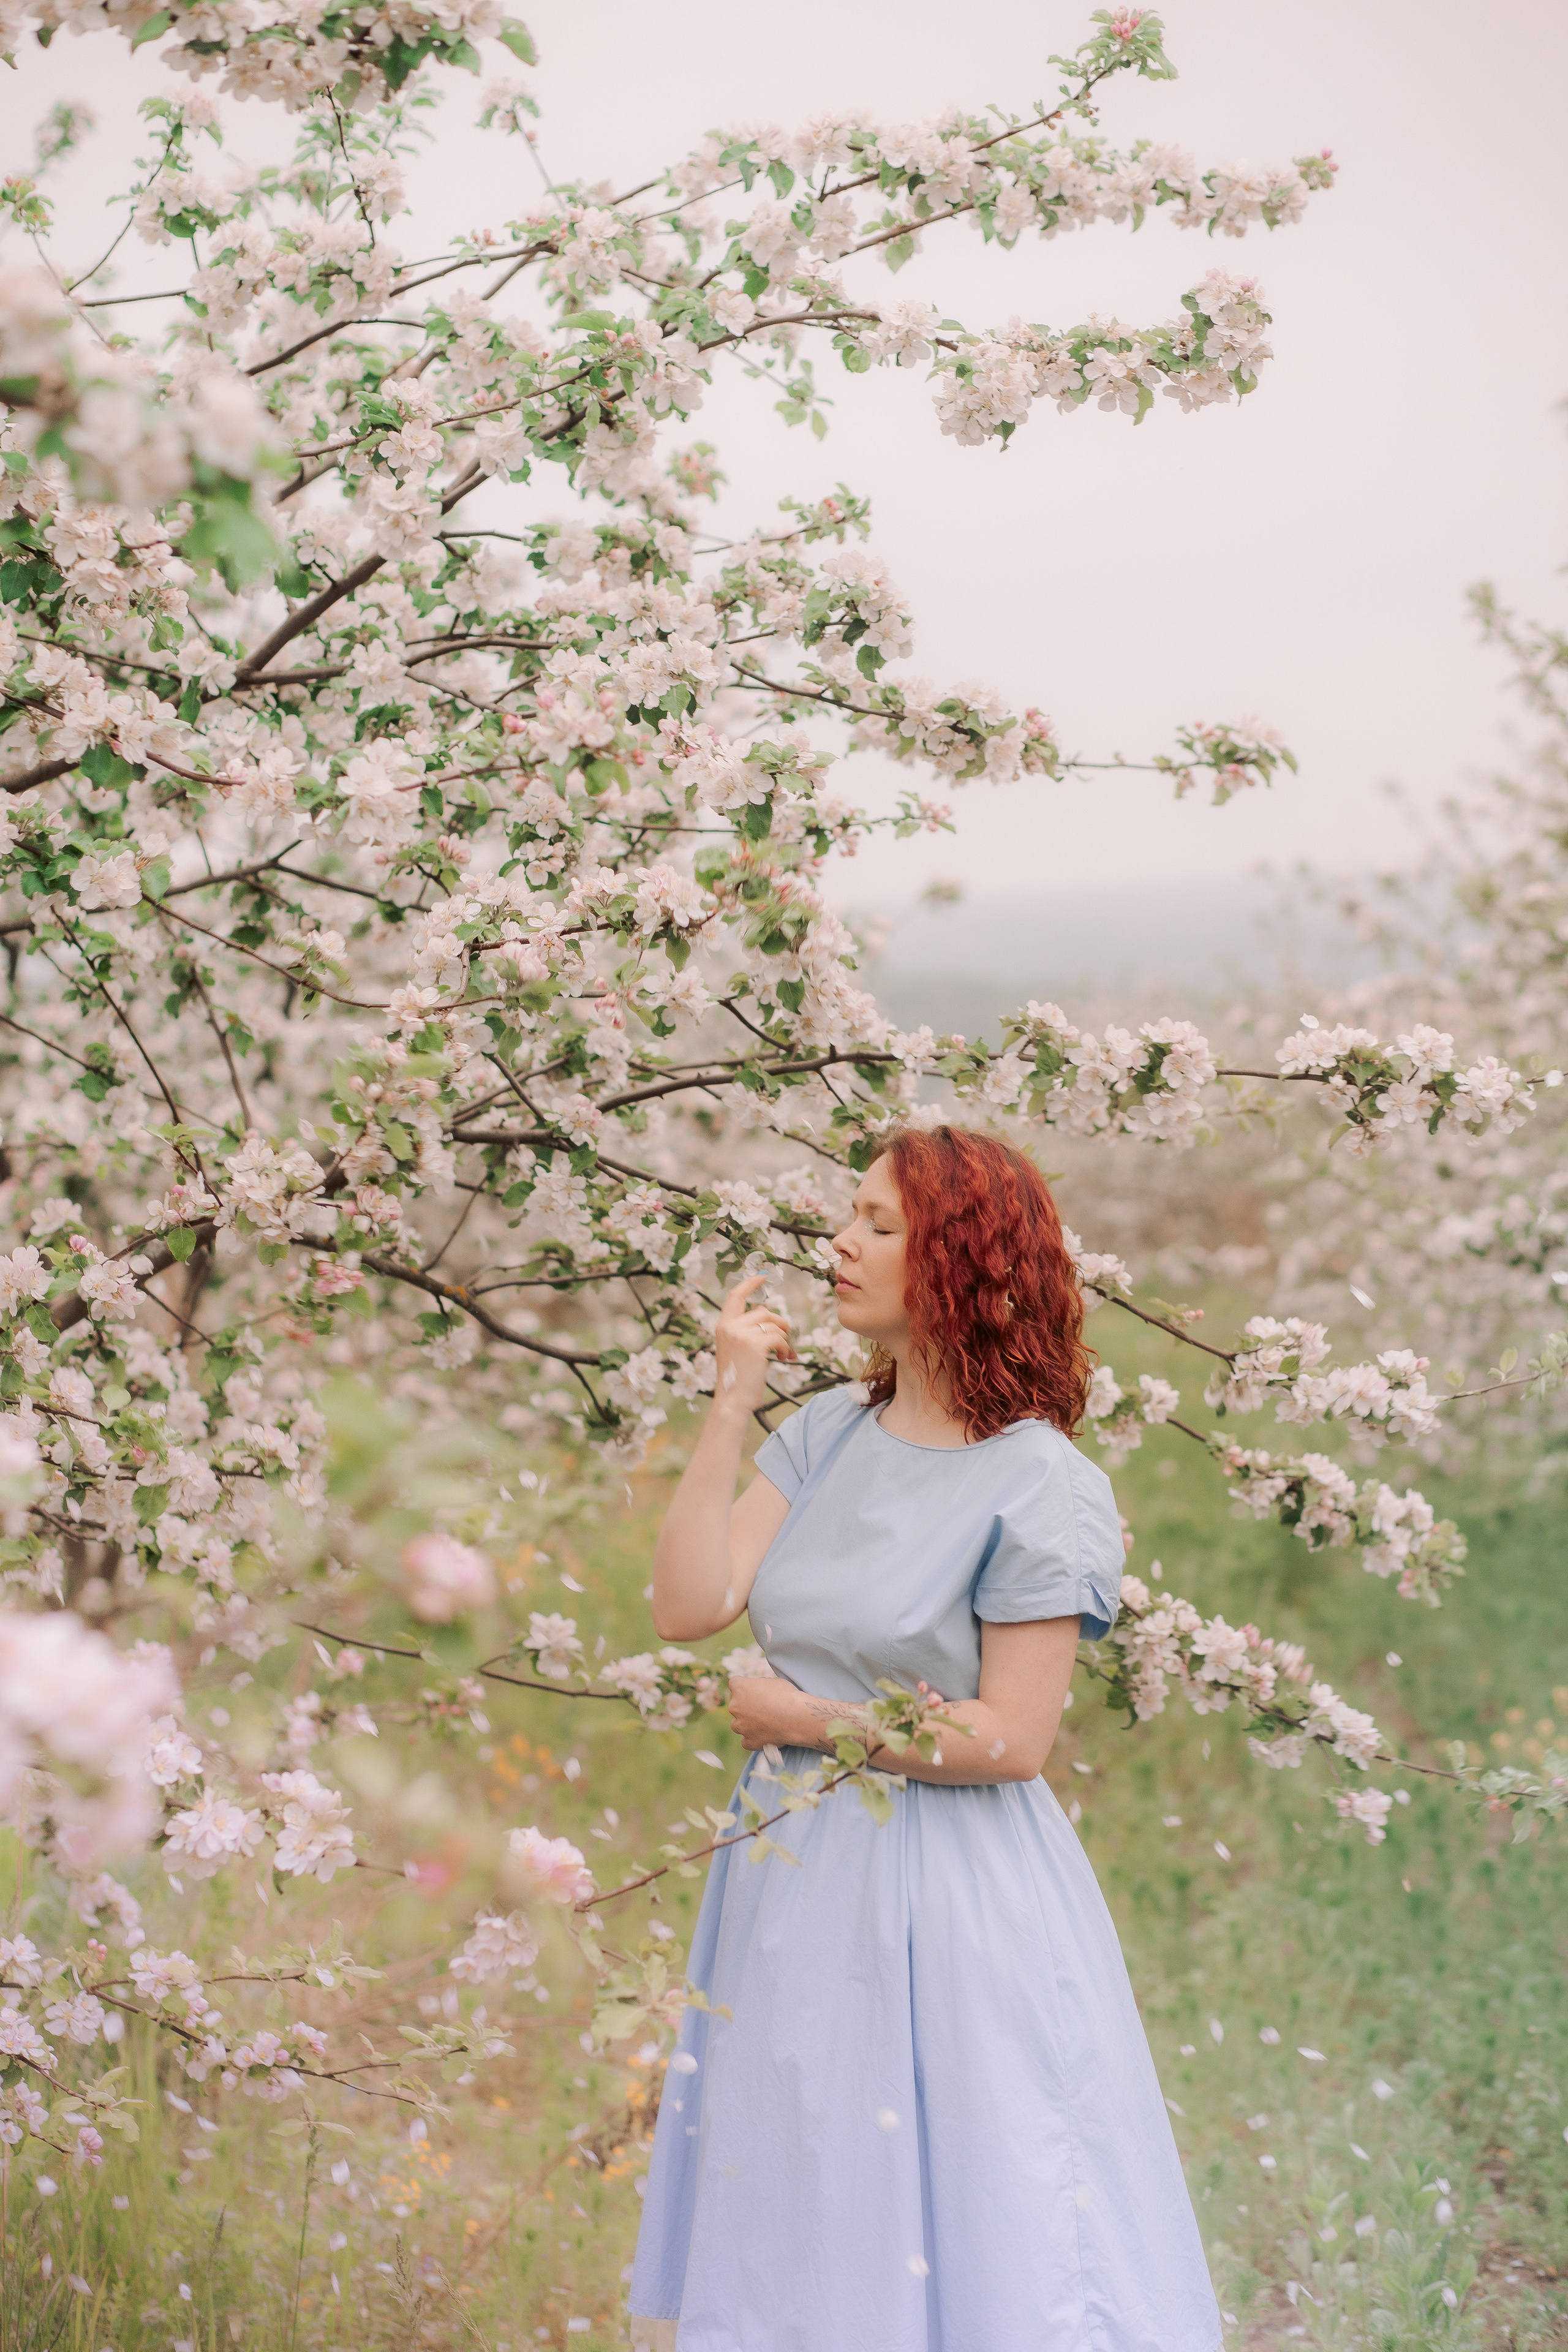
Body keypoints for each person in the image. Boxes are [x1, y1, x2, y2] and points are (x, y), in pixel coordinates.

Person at [628, 1124, 1221, 2352]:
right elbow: (688, 1606)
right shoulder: (825, 1436)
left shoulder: (1036, 1482)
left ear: (957, 1259)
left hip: (948, 1889)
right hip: (789, 1876)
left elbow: (1011, 1738)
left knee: (971, 2192)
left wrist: (802, 1720)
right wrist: (731, 1404)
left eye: (879, 1225)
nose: (841, 1243)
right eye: (847, 1217)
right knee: (806, 2175)